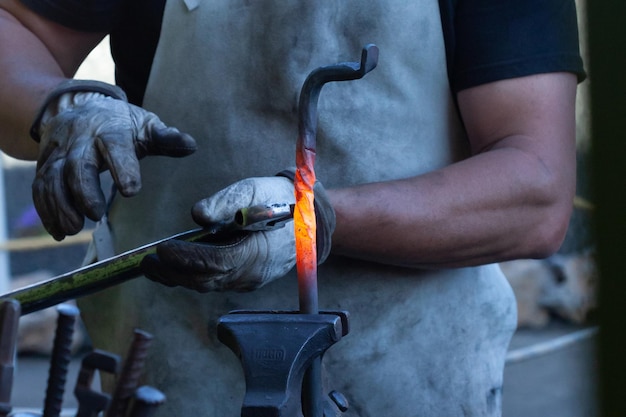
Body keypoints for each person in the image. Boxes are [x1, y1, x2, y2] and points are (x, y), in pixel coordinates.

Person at [0, 0, 585, 415]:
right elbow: (18, 29)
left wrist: (313, 217)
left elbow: (535, 190)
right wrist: (62, 106)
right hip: (167, 369)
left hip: (407, 376)